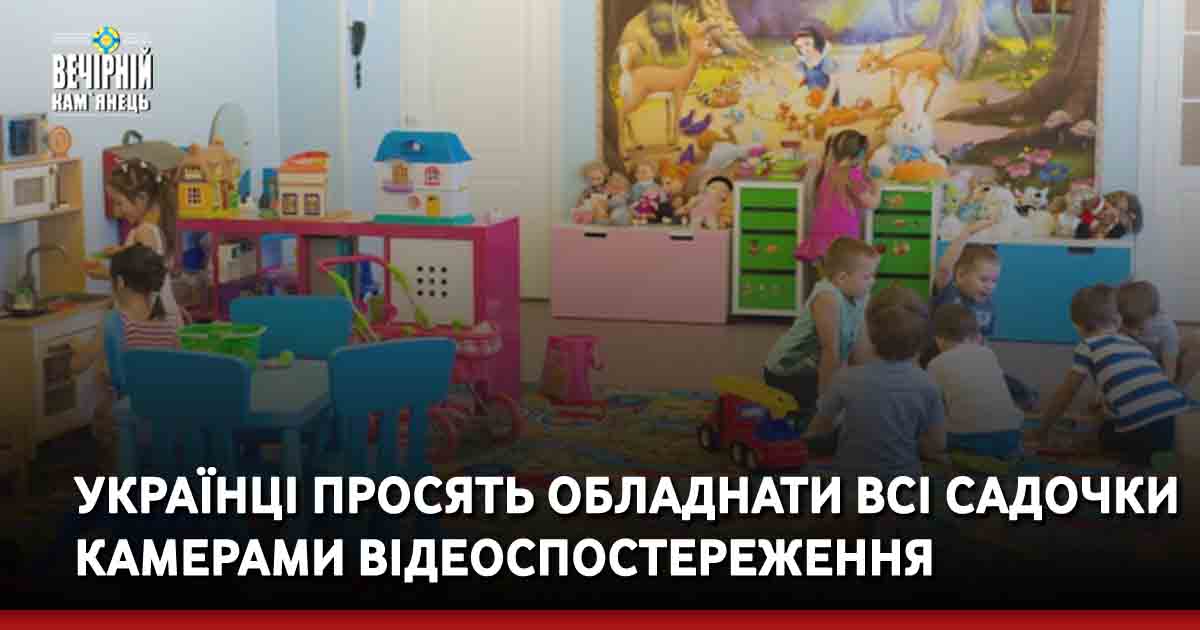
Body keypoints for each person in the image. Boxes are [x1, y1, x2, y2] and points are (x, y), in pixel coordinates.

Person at [1037, 285, 1192, 467]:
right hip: (1168, 427)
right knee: (1127, 420)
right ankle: (1157, 457)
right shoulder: (1136, 345)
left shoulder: (1087, 346)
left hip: (1136, 431)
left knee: (1102, 435)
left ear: (1077, 326)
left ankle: (1134, 456)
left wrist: (1043, 428)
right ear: (1117, 320)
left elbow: (1067, 392)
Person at [805, 286, 946, 481]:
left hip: (851, 481)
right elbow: (937, 444)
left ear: (870, 332)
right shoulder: (928, 384)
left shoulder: (845, 379)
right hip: (905, 483)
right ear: (922, 338)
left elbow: (817, 429)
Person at [72, 245, 183, 472]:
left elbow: (78, 365)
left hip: (132, 418)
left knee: (102, 417)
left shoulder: (115, 321)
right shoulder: (170, 323)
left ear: (120, 283)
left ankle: (119, 476)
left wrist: (75, 349)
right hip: (171, 421)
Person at [765, 238, 878, 453]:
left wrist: (868, 383)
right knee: (829, 425)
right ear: (842, 278)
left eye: (873, 275)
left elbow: (860, 347)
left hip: (820, 368)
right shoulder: (827, 297)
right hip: (788, 371)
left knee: (856, 401)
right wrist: (827, 402)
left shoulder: (861, 296)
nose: (873, 281)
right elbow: (830, 351)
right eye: (867, 276)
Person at [926, 226, 1039, 411]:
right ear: (960, 275)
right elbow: (945, 269)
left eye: (994, 281)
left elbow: (983, 340)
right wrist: (966, 233)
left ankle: (1023, 398)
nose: (990, 286)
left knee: (1003, 380)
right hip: (938, 358)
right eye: (984, 279)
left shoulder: (988, 307)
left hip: (969, 362)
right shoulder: (949, 292)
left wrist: (988, 365)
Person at [85, 158, 185, 321]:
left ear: (141, 198)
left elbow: (143, 280)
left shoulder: (144, 231)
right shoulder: (156, 226)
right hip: (163, 321)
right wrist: (122, 252)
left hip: (152, 323)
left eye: (119, 203)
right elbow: (148, 262)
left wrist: (108, 274)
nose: (116, 212)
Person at [927, 303, 1025, 458]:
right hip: (1010, 437)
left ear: (938, 339)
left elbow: (932, 406)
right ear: (976, 336)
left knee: (929, 432)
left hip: (966, 439)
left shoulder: (935, 364)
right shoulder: (988, 354)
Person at [794, 130, 881, 263]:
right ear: (861, 155)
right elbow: (873, 204)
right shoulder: (853, 175)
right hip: (842, 240)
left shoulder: (829, 174)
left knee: (828, 272)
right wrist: (877, 186)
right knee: (843, 272)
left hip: (822, 240)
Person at [1118, 280, 1200, 387]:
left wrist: (1167, 390)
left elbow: (1170, 371)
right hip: (1137, 359)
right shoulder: (1118, 319)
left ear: (1154, 315)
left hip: (1159, 359)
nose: (1135, 333)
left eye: (1139, 328)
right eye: (1128, 325)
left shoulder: (1165, 328)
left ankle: (1178, 390)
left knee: (1196, 343)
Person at [792, 28, 841, 111]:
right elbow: (798, 83)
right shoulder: (803, 64)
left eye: (807, 44)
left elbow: (833, 86)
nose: (804, 49)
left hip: (830, 105)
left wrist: (824, 107)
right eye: (800, 47)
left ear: (817, 43)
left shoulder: (826, 62)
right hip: (814, 104)